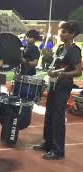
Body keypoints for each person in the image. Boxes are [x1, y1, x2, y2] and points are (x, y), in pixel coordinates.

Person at [33, 21, 82, 160]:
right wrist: (48, 56)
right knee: (49, 115)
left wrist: (60, 74)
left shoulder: (74, 49)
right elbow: (59, 64)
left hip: (63, 86)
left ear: (72, 34)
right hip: (54, 85)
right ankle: (48, 143)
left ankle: (58, 150)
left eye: (65, 31)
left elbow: (78, 71)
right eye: (60, 30)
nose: (61, 33)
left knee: (58, 118)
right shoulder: (61, 47)